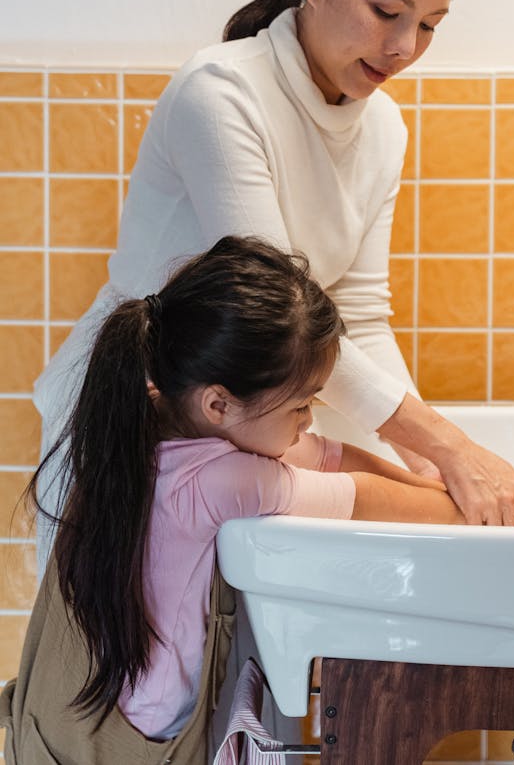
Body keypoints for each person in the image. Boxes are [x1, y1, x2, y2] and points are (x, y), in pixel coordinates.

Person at [33, 0, 514, 572]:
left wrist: (426, 465)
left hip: (244, 434)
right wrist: (452, 448)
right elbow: (276, 321)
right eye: (386, 10)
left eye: (429, 25)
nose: (404, 47)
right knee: (130, 674)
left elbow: (359, 314)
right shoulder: (221, 94)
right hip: (138, 424)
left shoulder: (383, 129)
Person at [2, 236, 467, 764]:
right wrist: (473, 516)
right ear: (219, 404)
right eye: (300, 405)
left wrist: (440, 484)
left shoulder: (143, 425)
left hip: (78, 708)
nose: (308, 419)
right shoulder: (220, 482)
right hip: (142, 740)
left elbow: (328, 457)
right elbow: (359, 495)